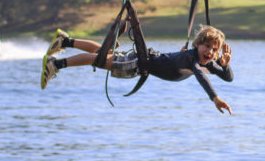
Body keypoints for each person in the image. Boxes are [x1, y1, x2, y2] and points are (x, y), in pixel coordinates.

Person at [40, 25, 234, 114]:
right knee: (99, 60)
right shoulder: (193, 58)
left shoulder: (208, 63)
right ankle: (56, 64)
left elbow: (228, 78)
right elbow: (200, 76)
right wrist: (214, 98)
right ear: (198, 44)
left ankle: (65, 40)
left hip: (143, 59)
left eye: (214, 49)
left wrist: (225, 65)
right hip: (141, 63)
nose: (210, 52)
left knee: (103, 52)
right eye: (206, 46)